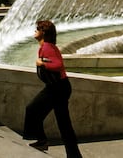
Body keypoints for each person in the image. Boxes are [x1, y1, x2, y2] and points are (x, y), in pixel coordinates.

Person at [23, 20, 83, 157]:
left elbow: (57, 64)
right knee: (63, 123)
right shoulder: (47, 46)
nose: (35, 31)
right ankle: (74, 155)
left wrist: (41, 63)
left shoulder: (48, 47)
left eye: (37, 29)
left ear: (43, 33)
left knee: (32, 109)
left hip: (57, 88)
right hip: (59, 87)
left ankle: (42, 140)